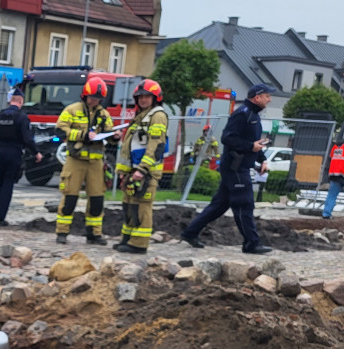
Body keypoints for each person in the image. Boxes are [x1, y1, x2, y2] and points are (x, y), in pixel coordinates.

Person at [180, 84, 276, 254]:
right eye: (267, 96)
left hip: (240, 166)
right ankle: (251, 243)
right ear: (257, 97)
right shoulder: (242, 114)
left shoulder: (252, 115)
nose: (269, 99)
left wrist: (262, 160)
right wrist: (249, 146)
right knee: (244, 204)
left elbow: (253, 141)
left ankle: (190, 232)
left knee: (219, 205)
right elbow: (228, 138)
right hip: (236, 167)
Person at [112, 79, 170, 254]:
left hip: (146, 172)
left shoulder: (157, 116)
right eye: (140, 97)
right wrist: (124, 171)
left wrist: (142, 169)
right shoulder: (141, 115)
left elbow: (155, 145)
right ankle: (128, 239)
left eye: (147, 96)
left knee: (141, 206)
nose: (143, 99)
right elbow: (129, 145)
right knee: (129, 204)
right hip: (133, 170)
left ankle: (139, 244)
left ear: (155, 98)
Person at [55, 77, 115, 245]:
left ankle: (94, 234)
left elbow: (109, 133)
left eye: (97, 98)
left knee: (97, 199)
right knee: (70, 198)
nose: (94, 100)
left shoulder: (104, 114)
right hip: (76, 160)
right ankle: (62, 232)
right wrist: (82, 135)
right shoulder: (72, 110)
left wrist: (114, 137)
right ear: (85, 95)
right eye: (92, 97)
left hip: (95, 163)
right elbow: (60, 129)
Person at [0, 88, 42, 226]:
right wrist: (36, 152)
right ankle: (0, 217)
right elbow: (27, 139)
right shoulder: (22, 118)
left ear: (11, 100)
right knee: (7, 185)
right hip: (14, 153)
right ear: (21, 101)